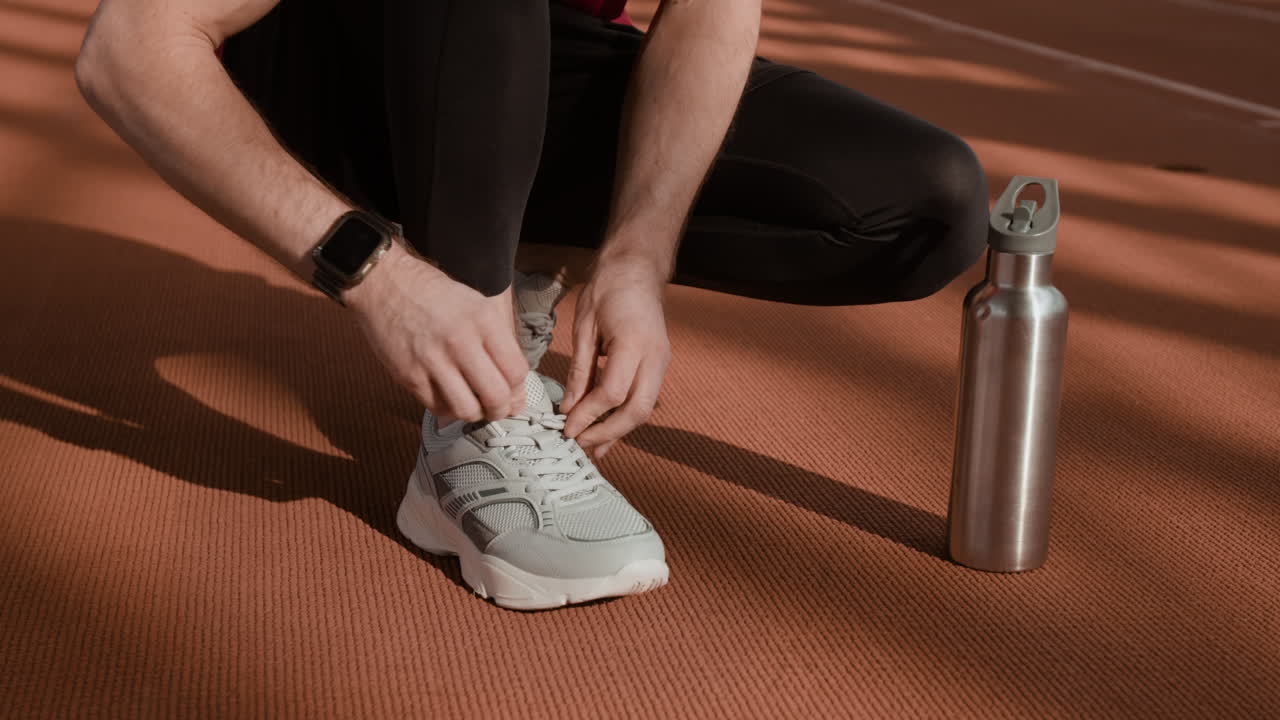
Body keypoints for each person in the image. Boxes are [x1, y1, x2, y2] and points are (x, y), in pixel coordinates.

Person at [74, 0, 989, 610]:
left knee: (919, 205)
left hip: (511, 54)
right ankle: (476, 419)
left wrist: (637, 252)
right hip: (327, 91)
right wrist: (374, 274)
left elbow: (710, 13)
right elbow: (128, 49)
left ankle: (503, 294)